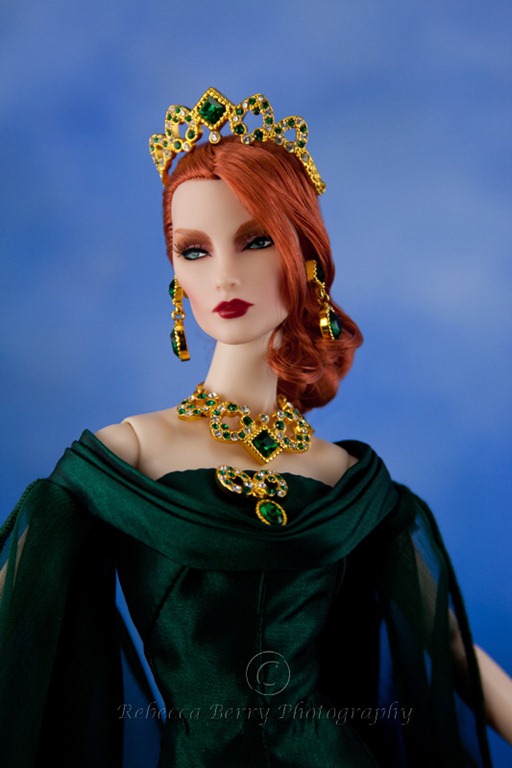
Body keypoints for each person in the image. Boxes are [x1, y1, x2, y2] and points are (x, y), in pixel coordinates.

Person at [0, 87, 511, 767]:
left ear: (304, 257)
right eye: (194, 250)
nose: (224, 276)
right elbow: (16, 628)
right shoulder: (128, 457)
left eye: (256, 240)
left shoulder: (349, 482)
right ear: (174, 274)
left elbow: (448, 646)